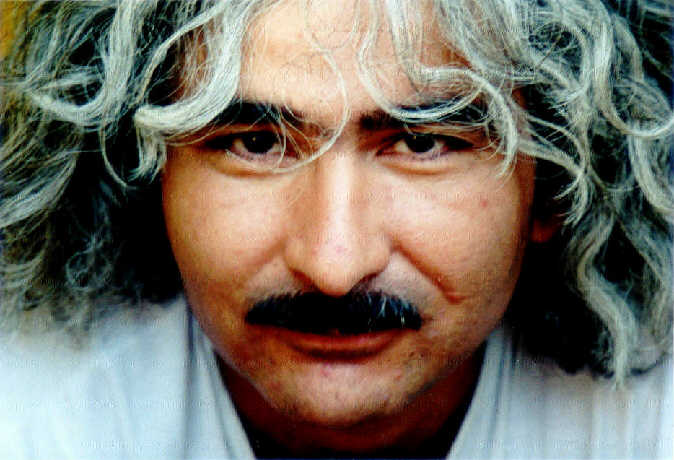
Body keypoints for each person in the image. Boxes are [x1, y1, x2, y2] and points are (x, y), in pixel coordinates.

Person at [0, 0, 672, 458]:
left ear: (553, 186)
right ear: (149, 177)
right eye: (256, 143)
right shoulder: (33, 420)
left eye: (421, 142)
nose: (334, 265)